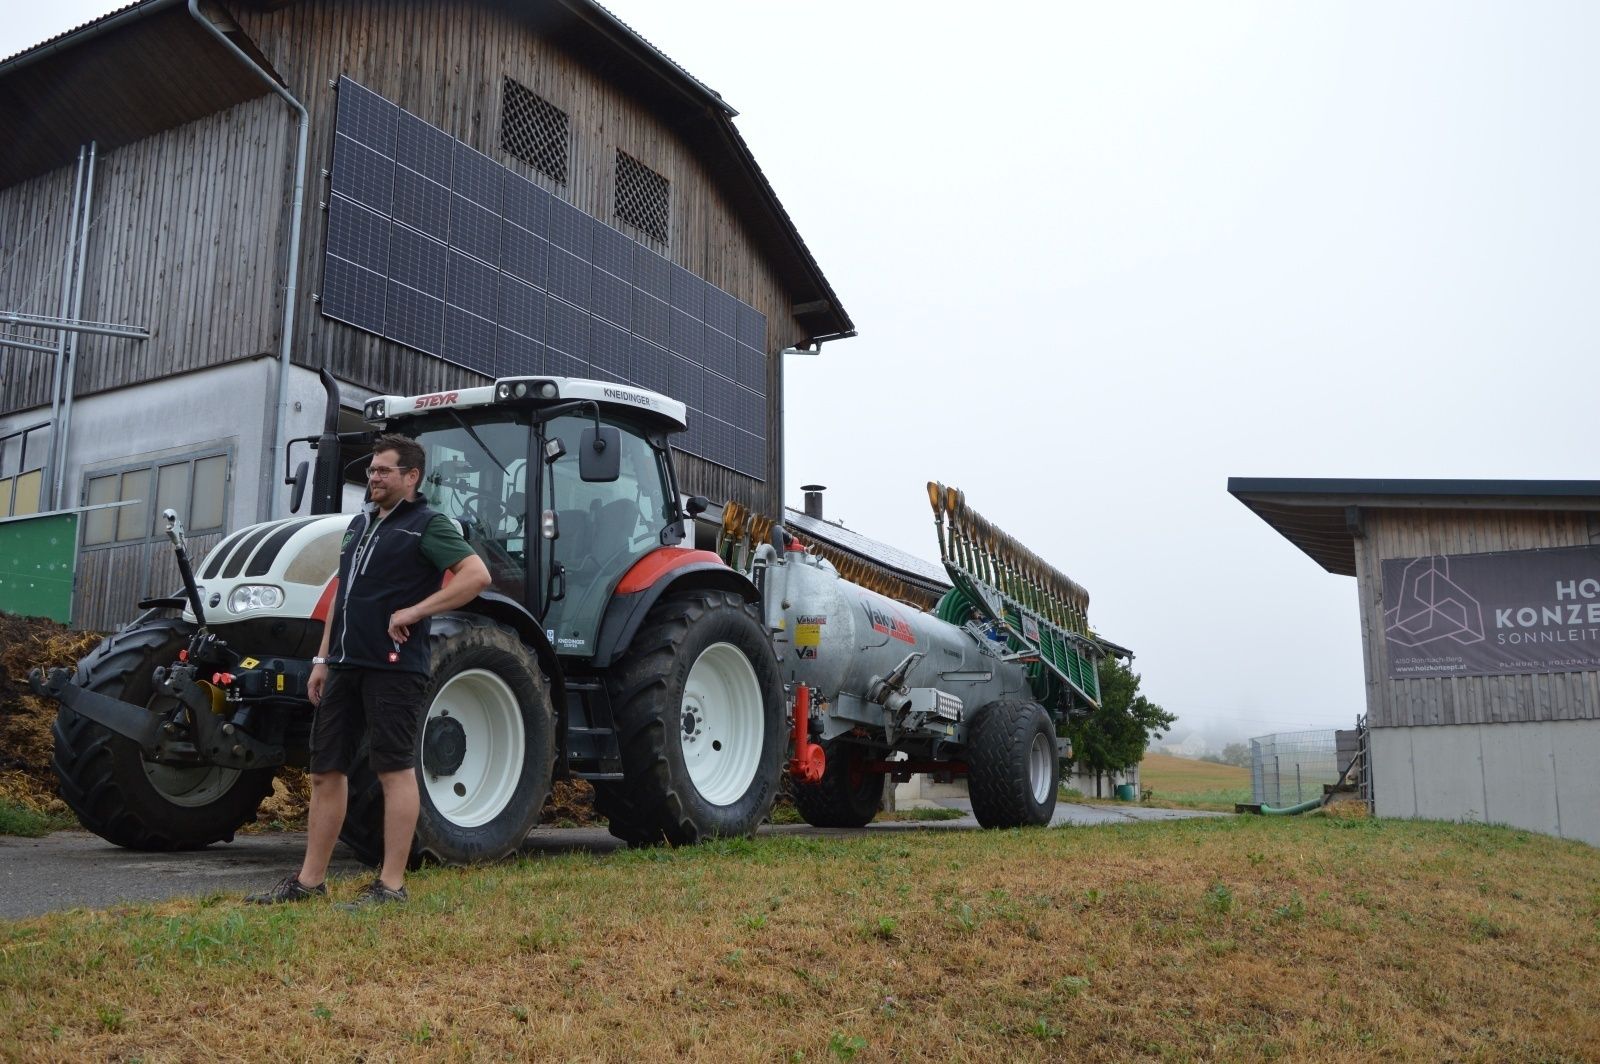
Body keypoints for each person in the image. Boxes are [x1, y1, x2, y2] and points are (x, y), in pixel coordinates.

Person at [248, 434, 491, 908]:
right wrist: (322, 658)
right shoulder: (360, 525)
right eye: (373, 470)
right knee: (325, 771)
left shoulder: (429, 525)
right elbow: (343, 592)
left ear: (411, 477)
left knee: (393, 771)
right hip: (343, 664)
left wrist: (415, 611)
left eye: (383, 470)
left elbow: (476, 575)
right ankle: (309, 882)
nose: (373, 477)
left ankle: (392, 885)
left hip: (394, 668)